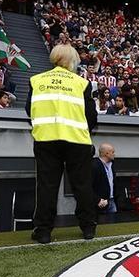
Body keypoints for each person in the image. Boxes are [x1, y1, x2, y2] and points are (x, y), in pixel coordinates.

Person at [25, 44, 98, 244]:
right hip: (77, 140)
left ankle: (43, 231)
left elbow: (28, 109)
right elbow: (91, 116)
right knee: (82, 184)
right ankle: (88, 227)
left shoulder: (36, 80)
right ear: (72, 61)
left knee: (47, 186)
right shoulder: (81, 83)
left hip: (46, 140)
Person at [92, 143, 121, 214]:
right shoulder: (94, 166)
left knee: (113, 223)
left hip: (111, 200)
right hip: (100, 203)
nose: (114, 154)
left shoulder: (112, 165)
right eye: (112, 152)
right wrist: (97, 200)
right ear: (106, 153)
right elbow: (89, 186)